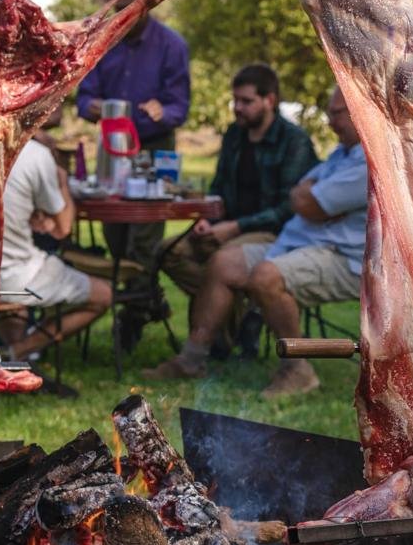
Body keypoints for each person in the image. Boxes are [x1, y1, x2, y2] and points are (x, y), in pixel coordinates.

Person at [143, 87, 367, 398]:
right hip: (300, 242)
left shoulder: (368, 160)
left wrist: (308, 197)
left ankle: (298, 368)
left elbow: (306, 203)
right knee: (223, 262)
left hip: (341, 257)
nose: (330, 121)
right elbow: (300, 193)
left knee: (265, 276)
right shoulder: (342, 153)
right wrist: (308, 196)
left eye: (336, 113)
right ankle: (192, 360)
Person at [157, 63, 317, 353]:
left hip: (275, 233)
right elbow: (219, 186)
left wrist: (234, 227)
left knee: (222, 261)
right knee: (169, 252)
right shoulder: (235, 135)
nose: (238, 108)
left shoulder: (294, 142)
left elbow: (288, 209)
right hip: (227, 226)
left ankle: (204, 346)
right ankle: (241, 309)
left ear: (269, 101)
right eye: (236, 101)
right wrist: (208, 218)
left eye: (247, 101)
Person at [77, 0, 191, 347]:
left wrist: (163, 111)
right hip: (113, 146)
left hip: (153, 147)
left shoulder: (172, 46)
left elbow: (180, 106)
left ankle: (135, 311)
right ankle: (144, 298)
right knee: (115, 231)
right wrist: (91, 106)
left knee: (144, 236)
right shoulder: (102, 40)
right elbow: (85, 95)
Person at [0, 130, 112, 360]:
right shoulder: (33, 154)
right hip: (14, 277)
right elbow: (63, 228)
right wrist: (61, 180)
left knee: (15, 281)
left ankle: (9, 357)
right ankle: (14, 353)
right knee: (104, 295)